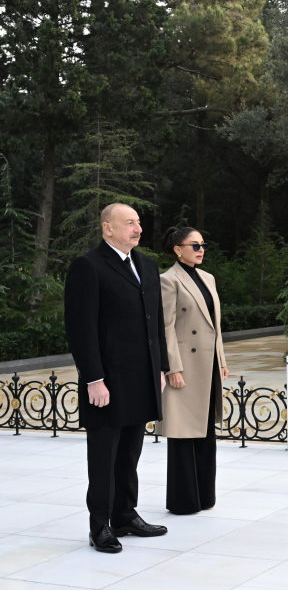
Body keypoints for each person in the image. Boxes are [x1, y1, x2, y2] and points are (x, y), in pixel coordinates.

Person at [64, 203, 169, 554]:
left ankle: (126, 514)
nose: (137, 229)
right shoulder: (88, 267)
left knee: (130, 454)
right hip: (107, 380)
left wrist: (162, 367)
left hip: (141, 377)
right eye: (129, 223)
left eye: (138, 223)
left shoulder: (147, 265)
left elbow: (155, 323)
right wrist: (94, 378)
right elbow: (81, 330)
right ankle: (100, 527)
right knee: (104, 457)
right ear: (107, 228)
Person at [159, 227, 228, 515]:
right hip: (185, 366)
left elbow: (215, 325)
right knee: (183, 432)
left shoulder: (207, 278)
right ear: (178, 249)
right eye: (195, 245)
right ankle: (183, 501)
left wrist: (221, 359)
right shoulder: (168, 280)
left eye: (204, 245)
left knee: (205, 430)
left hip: (207, 364)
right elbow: (165, 327)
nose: (201, 250)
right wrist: (172, 366)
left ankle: (205, 496)